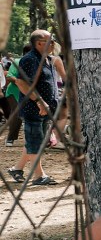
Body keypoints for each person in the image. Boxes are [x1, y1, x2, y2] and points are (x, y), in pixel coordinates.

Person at [6, 30, 59, 185]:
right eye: (51, 40)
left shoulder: (48, 59)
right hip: (33, 109)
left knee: (37, 141)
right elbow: (22, 83)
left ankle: (17, 169)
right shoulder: (29, 60)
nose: (54, 43)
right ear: (40, 43)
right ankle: (39, 176)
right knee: (35, 141)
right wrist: (39, 101)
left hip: (45, 109)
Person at [2, 43, 28, 147]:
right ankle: (10, 138)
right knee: (17, 114)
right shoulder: (17, 62)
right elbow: (9, 76)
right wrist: (20, 81)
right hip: (14, 93)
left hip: (29, 93)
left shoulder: (38, 62)